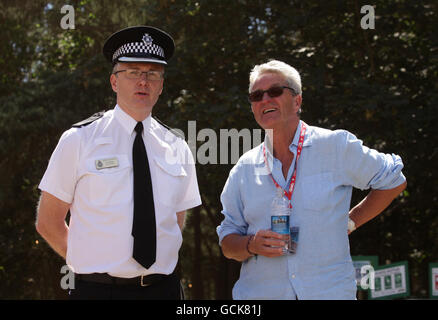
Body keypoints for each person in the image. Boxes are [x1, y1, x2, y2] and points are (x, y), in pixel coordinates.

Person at [216, 60, 407, 300]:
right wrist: (251, 245)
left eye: (275, 91)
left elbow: (393, 181)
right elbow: (227, 242)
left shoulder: (335, 146)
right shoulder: (244, 168)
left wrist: (351, 221)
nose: (265, 99)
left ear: (297, 101)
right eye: (256, 95)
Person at [36, 26, 201, 300]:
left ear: (162, 85)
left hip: (163, 290)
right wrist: (89, 260)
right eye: (133, 72)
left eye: (152, 74)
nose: (143, 81)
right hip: (97, 291)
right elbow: (48, 222)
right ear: (114, 82)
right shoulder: (80, 140)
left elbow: (175, 220)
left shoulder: (177, 147)